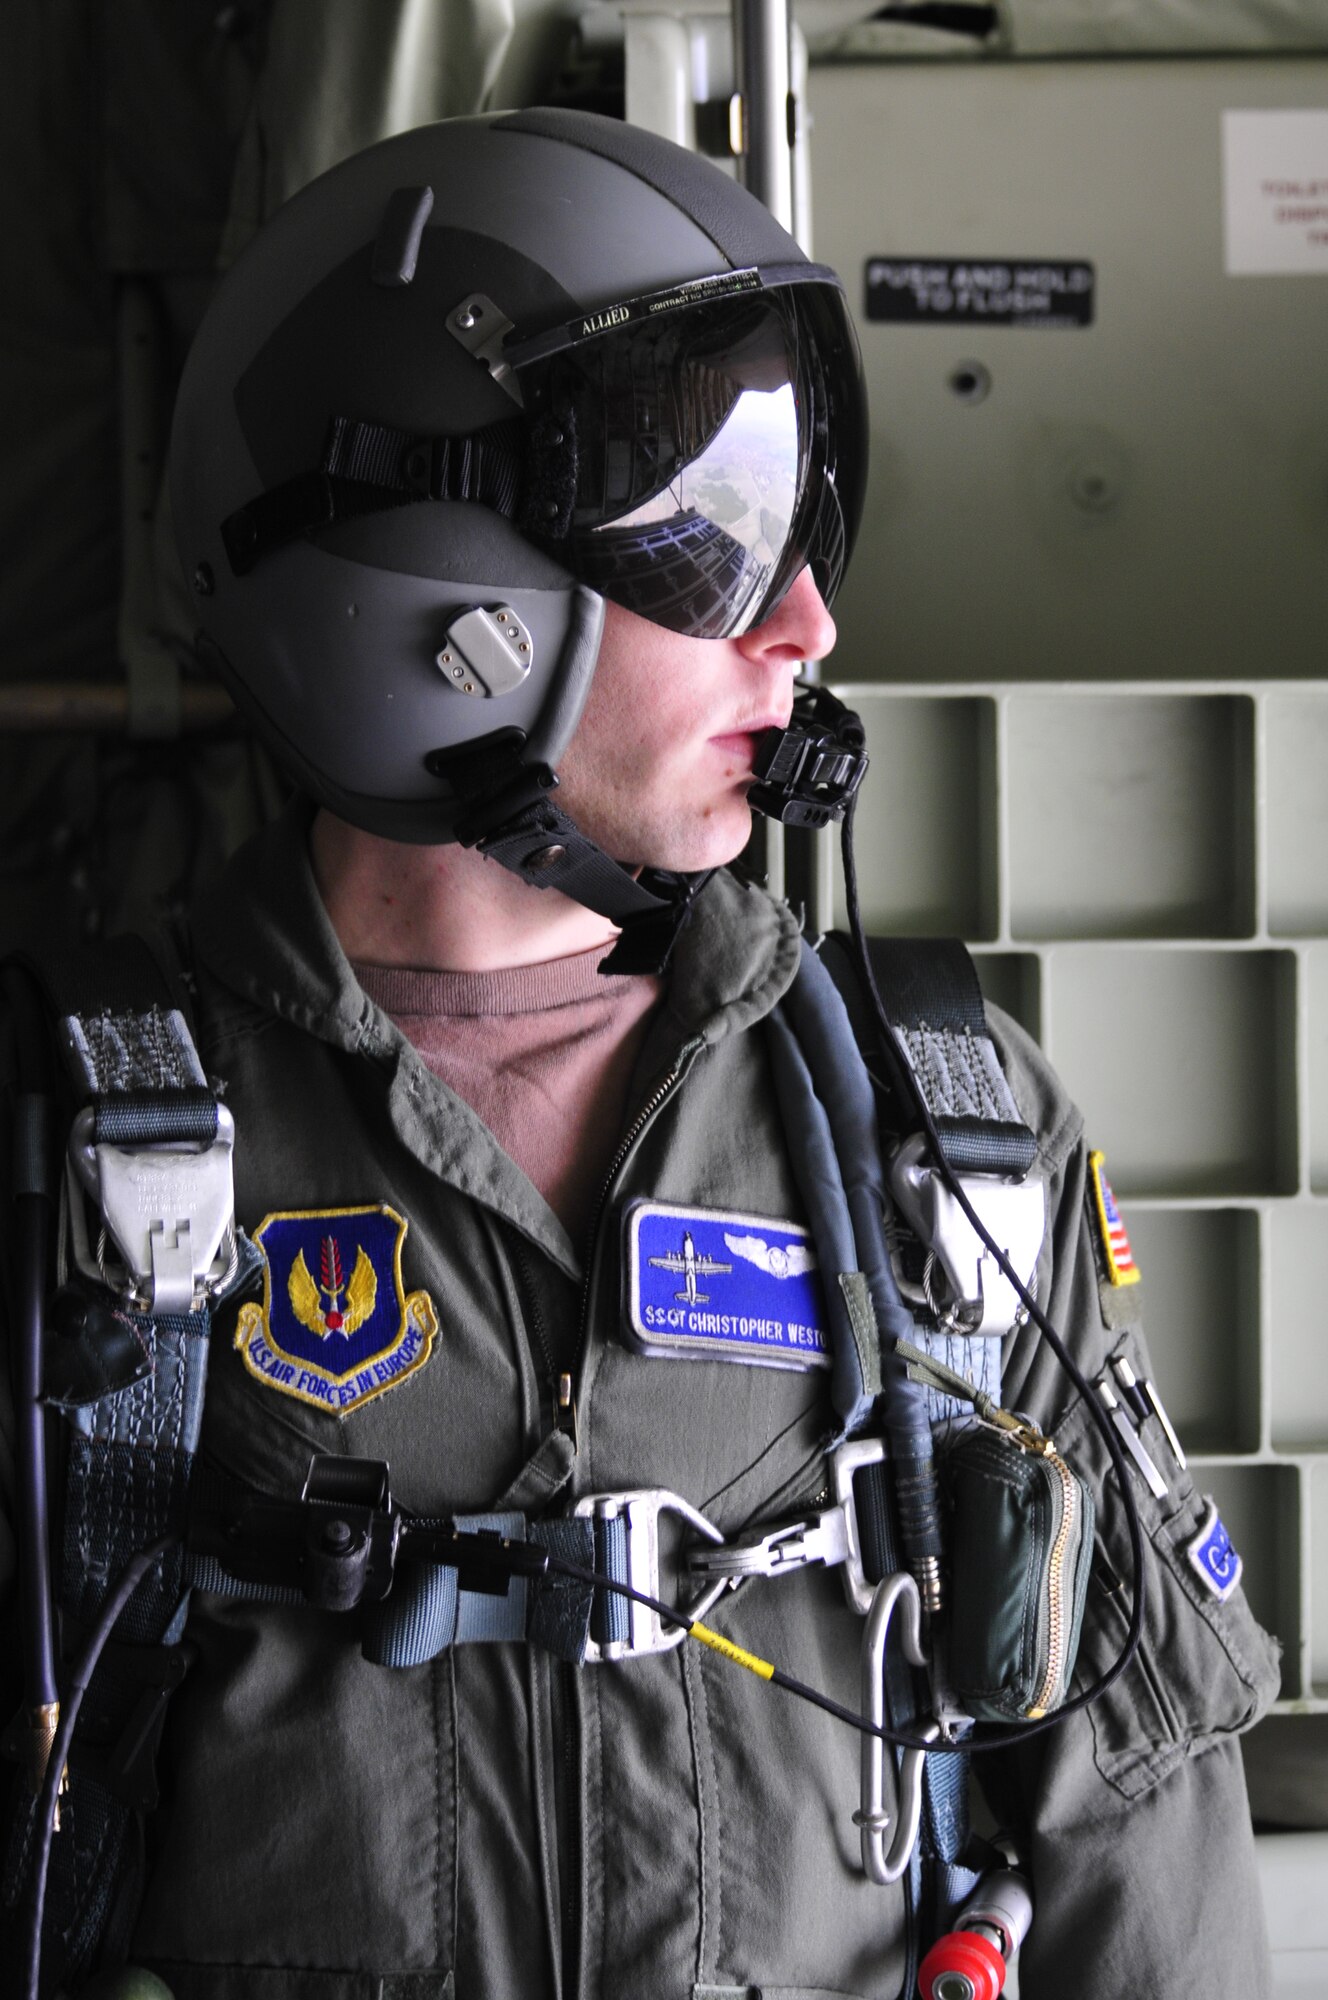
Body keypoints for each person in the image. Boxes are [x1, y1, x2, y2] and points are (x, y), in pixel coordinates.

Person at [1, 108, 1279, 2000]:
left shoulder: (947, 1136)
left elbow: (1142, 1821)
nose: (807, 626)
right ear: (444, 591)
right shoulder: (75, 1151)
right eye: (702, 541)